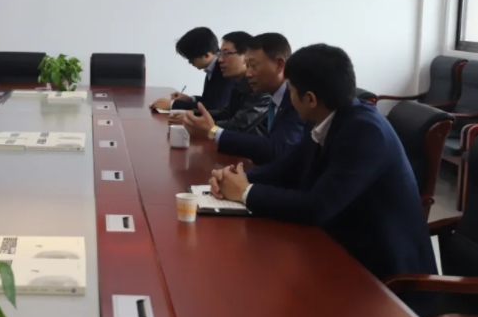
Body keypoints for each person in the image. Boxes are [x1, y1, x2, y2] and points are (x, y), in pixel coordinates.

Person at [210, 44, 437, 281]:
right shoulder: (327, 115)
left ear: (310, 99)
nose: (289, 98)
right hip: (342, 245)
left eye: (290, 91)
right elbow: (290, 167)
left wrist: (245, 192)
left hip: (385, 273)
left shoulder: (364, 132)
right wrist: (237, 177)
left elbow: (316, 207)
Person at [181, 32, 305, 165]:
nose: (249, 73)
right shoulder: (266, 92)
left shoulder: (297, 99)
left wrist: (212, 131)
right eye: (248, 65)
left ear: (279, 65)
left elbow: (275, 149)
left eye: (253, 65)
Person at [171, 31, 269, 135]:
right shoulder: (239, 83)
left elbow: (237, 127)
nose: (220, 60)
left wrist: (198, 124)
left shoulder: (260, 87)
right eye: (220, 54)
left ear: (246, 55)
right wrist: (191, 115)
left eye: (226, 54)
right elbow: (225, 113)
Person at [151, 27, 234, 112]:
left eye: (191, 58)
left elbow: (216, 107)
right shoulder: (213, 68)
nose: (189, 62)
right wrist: (190, 99)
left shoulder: (223, 71)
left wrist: (173, 104)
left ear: (207, 55)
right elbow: (210, 101)